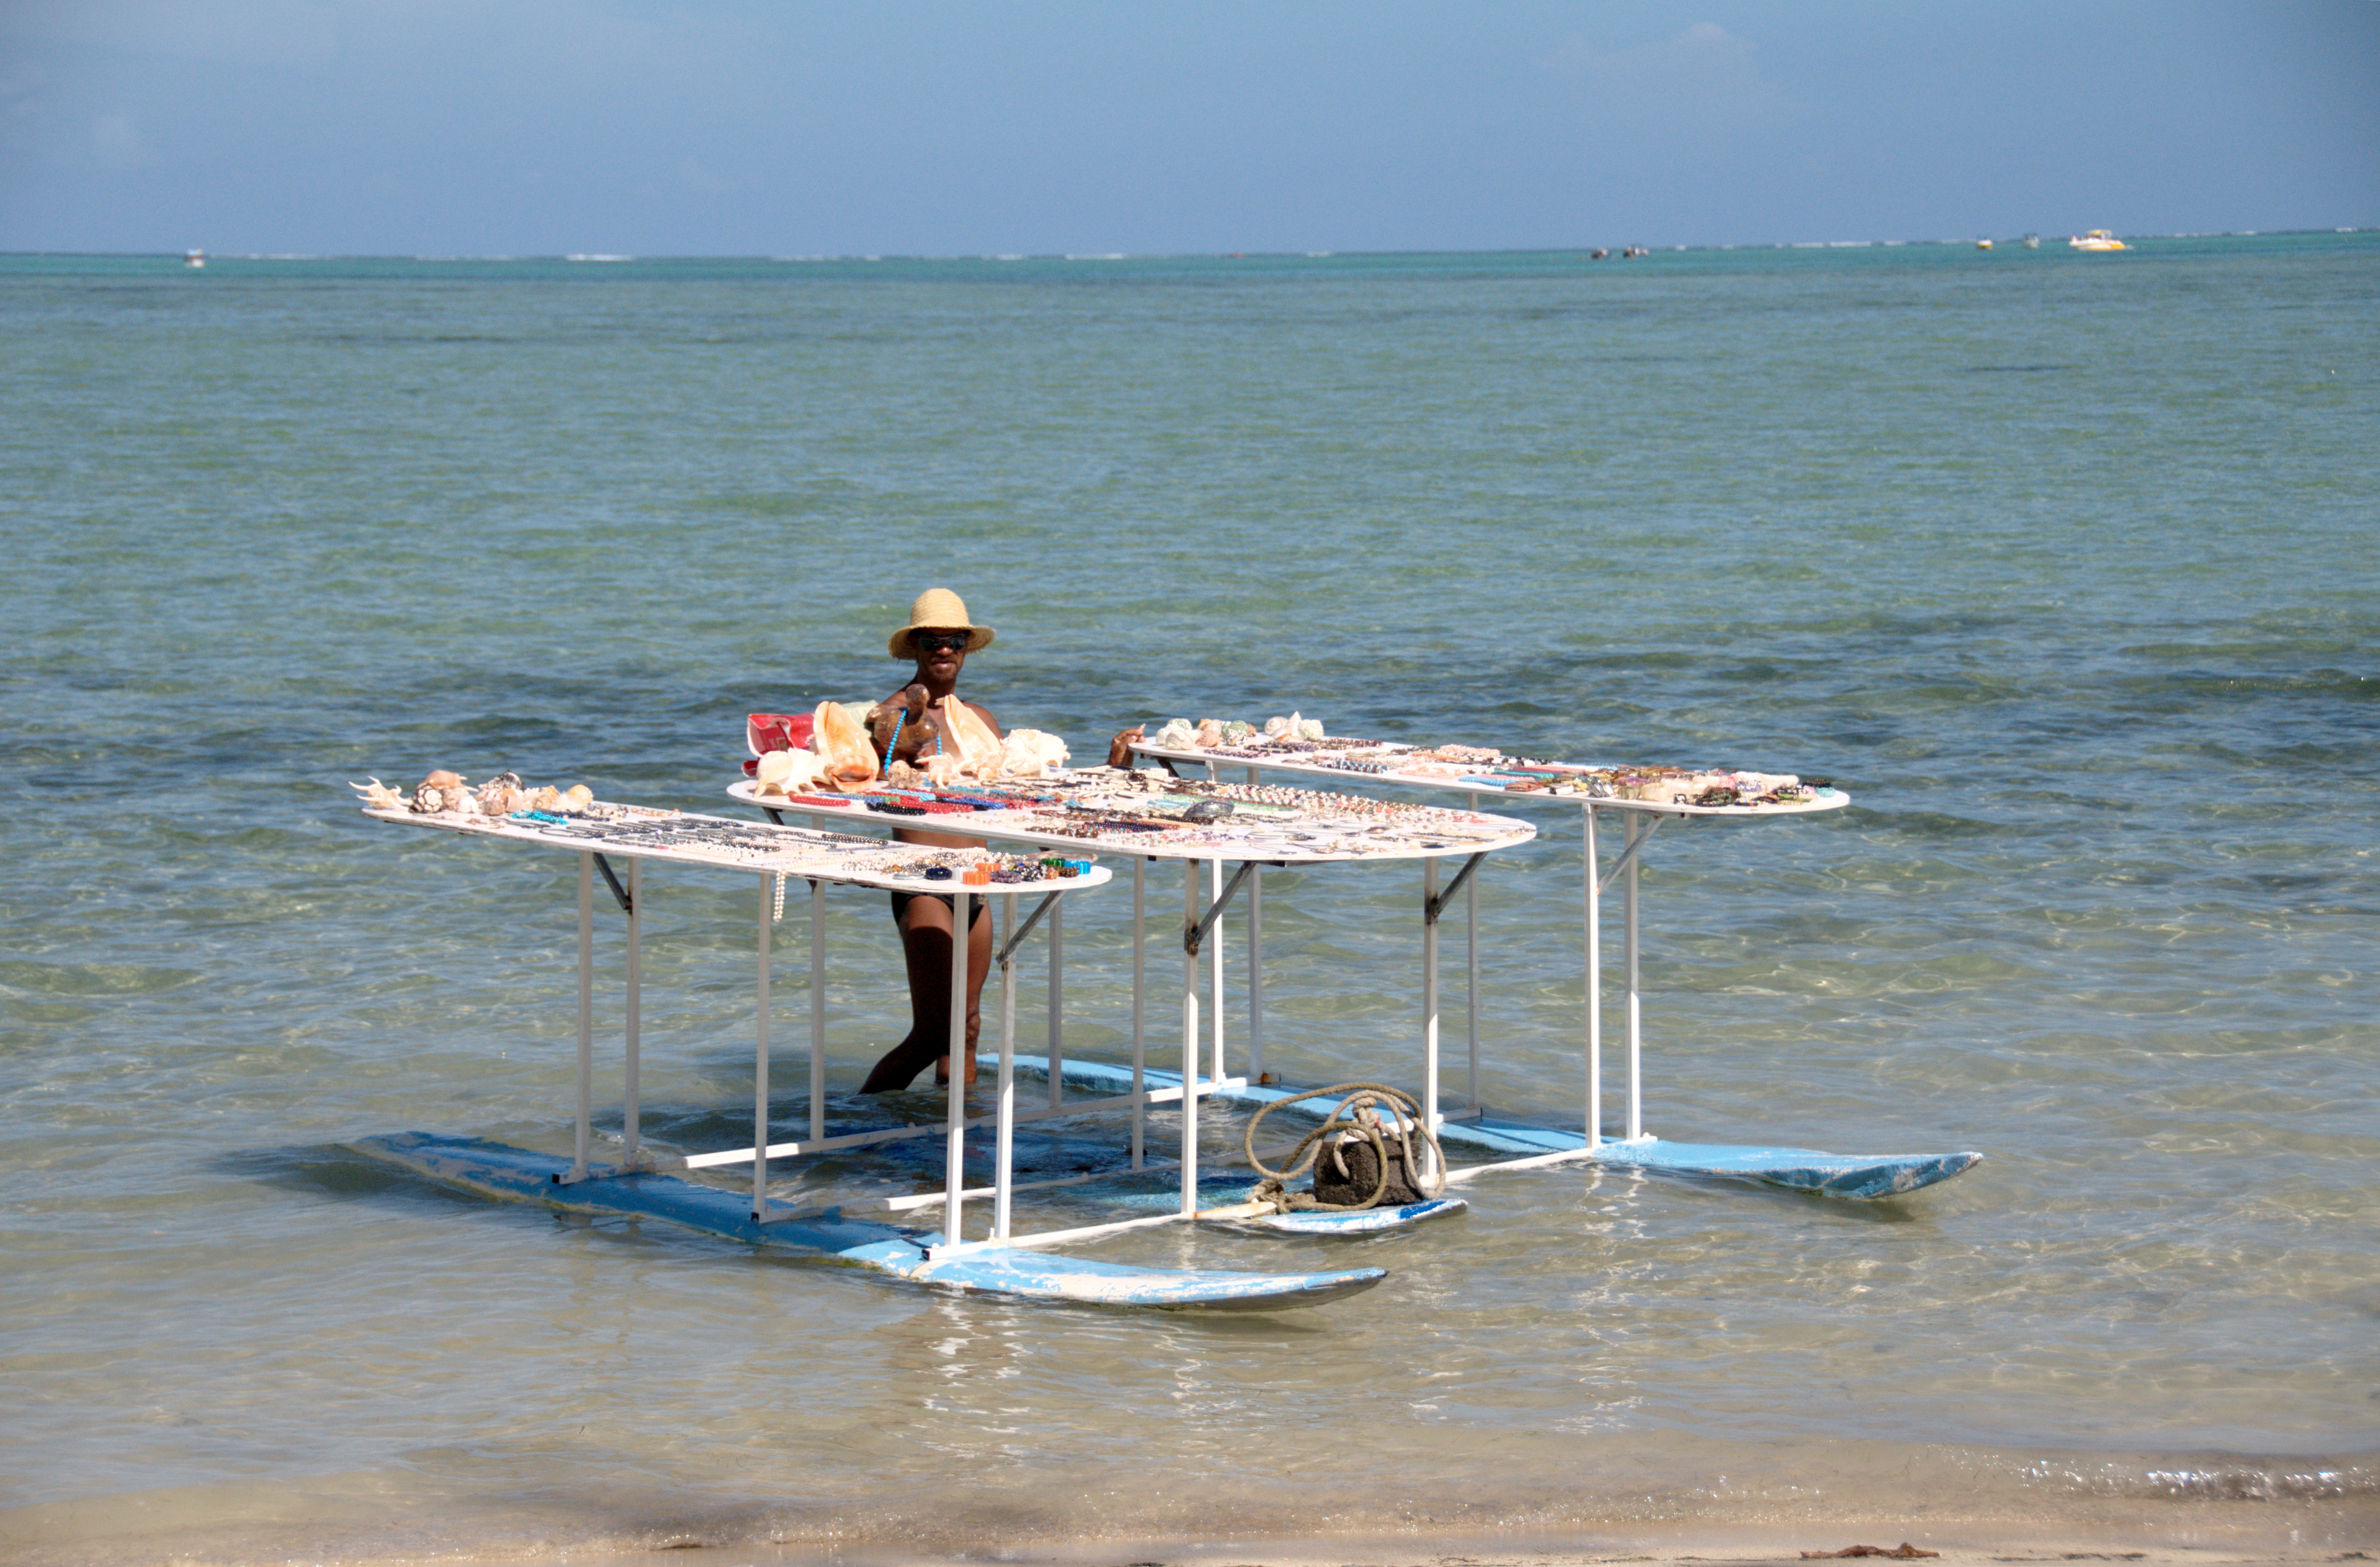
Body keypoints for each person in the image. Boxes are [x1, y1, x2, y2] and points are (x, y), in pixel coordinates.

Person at [856, 588, 1148, 1093]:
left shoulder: (980, 720)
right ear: (915, 648)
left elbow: (1024, 796)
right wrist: (895, 733)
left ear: (965, 649)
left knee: (968, 1029)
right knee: (933, 1033)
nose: (943, 649)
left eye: (954, 640)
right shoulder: (894, 715)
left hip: (977, 882)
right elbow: (874, 751)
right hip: (924, 884)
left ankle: (961, 1131)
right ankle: (854, 1124)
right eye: (931, 641)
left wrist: (1110, 770)